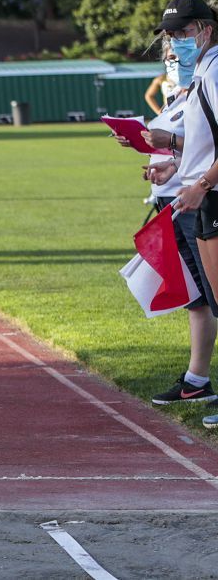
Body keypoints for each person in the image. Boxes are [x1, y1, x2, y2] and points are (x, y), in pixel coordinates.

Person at [116, 35, 217, 407]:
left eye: (178, 51)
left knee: (209, 295)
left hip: (198, 199)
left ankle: (198, 379)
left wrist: (192, 175)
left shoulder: (209, 83)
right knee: (197, 296)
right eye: (170, 56)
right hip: (180, 199)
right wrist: (165, 163)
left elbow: (204, 145)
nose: (175, 60)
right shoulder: (186, 92)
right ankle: (196, 379)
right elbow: (192, 147)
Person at [141, 0, 218, 426]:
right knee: (211, 299)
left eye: (182, 33)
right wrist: (177, 165)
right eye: (170, 35)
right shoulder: (204, 71)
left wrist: (200, 184)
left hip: (210, 196)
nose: (174, 43)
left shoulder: (216, 71)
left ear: (205, 30)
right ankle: (197, 380)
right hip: (203, 194)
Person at [144, 49, 181, 115]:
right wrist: (158, 112)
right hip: (169, 114)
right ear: (165, 59)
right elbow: (149, 95)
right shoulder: (162, 79)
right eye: (172, 57)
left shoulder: (190, 77)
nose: (176, 60)